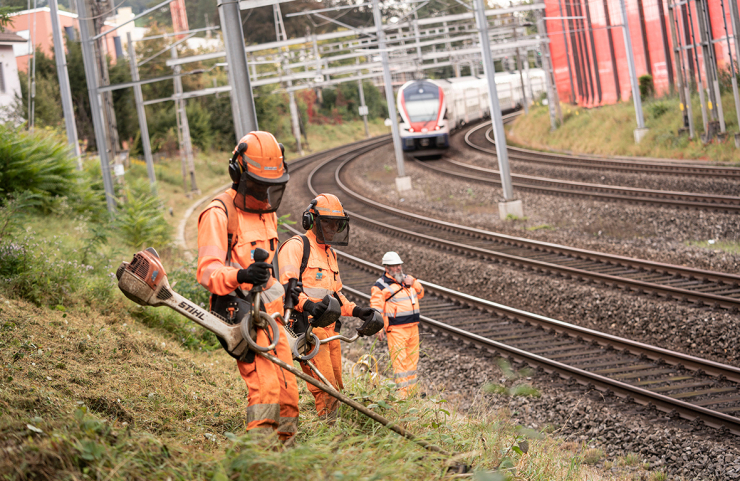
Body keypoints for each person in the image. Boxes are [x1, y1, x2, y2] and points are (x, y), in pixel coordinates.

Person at [196, 131, 298, 441]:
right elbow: (207, 272)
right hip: (241, 313)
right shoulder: (218, 213)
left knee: (288, 391)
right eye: (257, 186)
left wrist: (289, 294)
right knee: (266, 388)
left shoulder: (267, 212)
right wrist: (240, 276)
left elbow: (267, 271)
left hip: (273, 317)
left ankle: (286, 453)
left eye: (270, 188)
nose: (263, 194)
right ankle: (259, 456)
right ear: (238, 175)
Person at [278, 193, 377, 418]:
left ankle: (333, 427)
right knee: (326, 387)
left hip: (330, 329)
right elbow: (287, 290)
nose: (332, 228)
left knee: (337, 385)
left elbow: (335, 295)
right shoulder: (296, 247)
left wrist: (357, 311)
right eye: (327, 223)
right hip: (308, 327)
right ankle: (329, 433)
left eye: (337, 224)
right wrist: (308, 306)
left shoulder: (330, 253)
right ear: (311, 221)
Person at [370, 252, 424, 398]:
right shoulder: (380, 286)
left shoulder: (407, 280)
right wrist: (378, 327)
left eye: (399, 265)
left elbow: (421, 292)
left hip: (413, 327)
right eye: (394, 266)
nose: (398, 268)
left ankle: (411, 393)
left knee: (412, 361)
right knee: (400, 363)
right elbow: (376, 308)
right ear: (387, 268)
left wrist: (413, 282)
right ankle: (402, 395)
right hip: (396, 329)